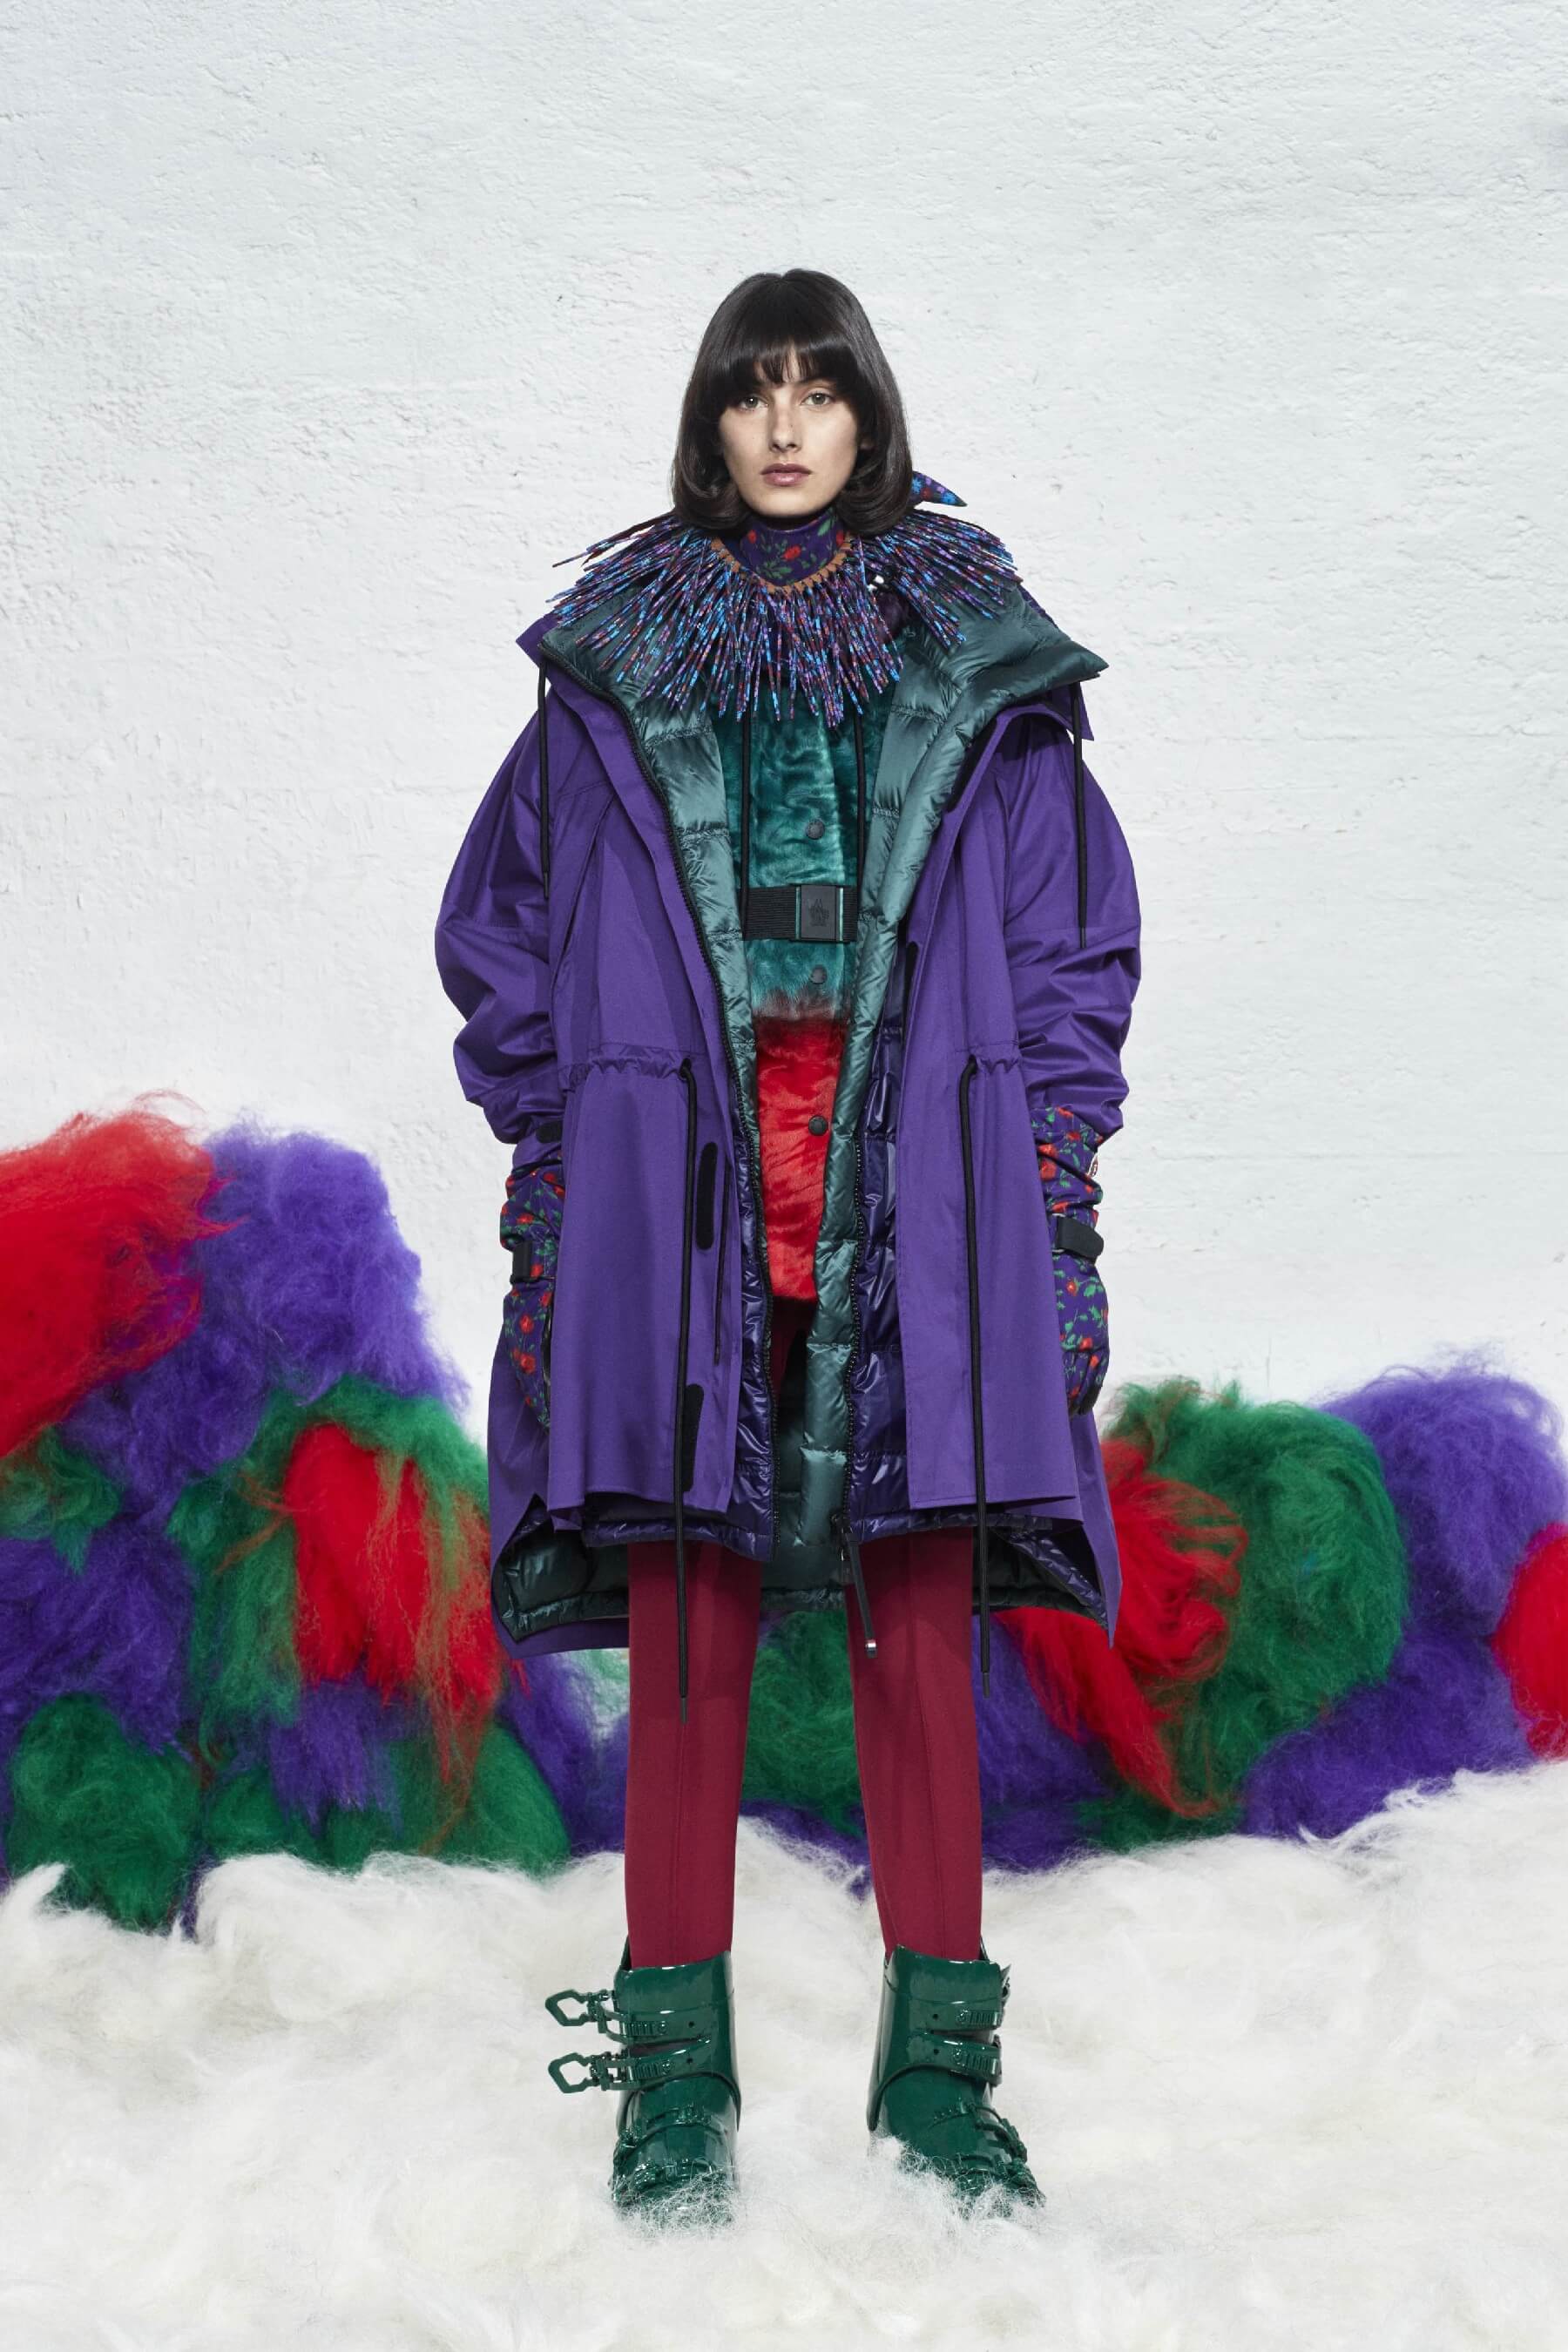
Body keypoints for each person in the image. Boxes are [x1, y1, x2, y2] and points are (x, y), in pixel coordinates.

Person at [433, 267, 1141, 2223]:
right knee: (687, 1648)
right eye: (754, 388)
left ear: (869, 415)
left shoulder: (981, 662)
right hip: (683, 1209)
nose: (786, 422)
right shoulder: (609, 674)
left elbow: (1072, 944)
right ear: (711, 420)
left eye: (821, 388)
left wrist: (1050, 1166)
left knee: (922, 1644)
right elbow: (503, 932)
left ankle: (940, 2085)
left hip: (924, 1201)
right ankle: (675, 2093)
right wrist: (568, 1143)